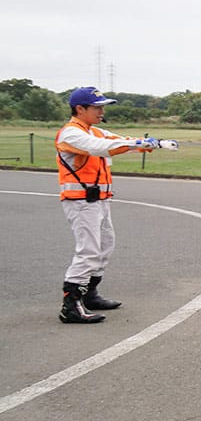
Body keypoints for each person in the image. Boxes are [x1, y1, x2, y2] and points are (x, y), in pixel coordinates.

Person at [55, 87, 169, 324]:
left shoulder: (95, 130)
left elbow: (118, 141)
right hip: (81, 203)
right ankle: (71, 305)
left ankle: (90, 294)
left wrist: (153, 143)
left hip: (100, 201)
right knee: (88, 251)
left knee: (105, 246)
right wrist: (137, 142)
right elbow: (100, 147)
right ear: (80, 109)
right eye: (97, 107)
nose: (101, 111)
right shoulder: (71, 134)